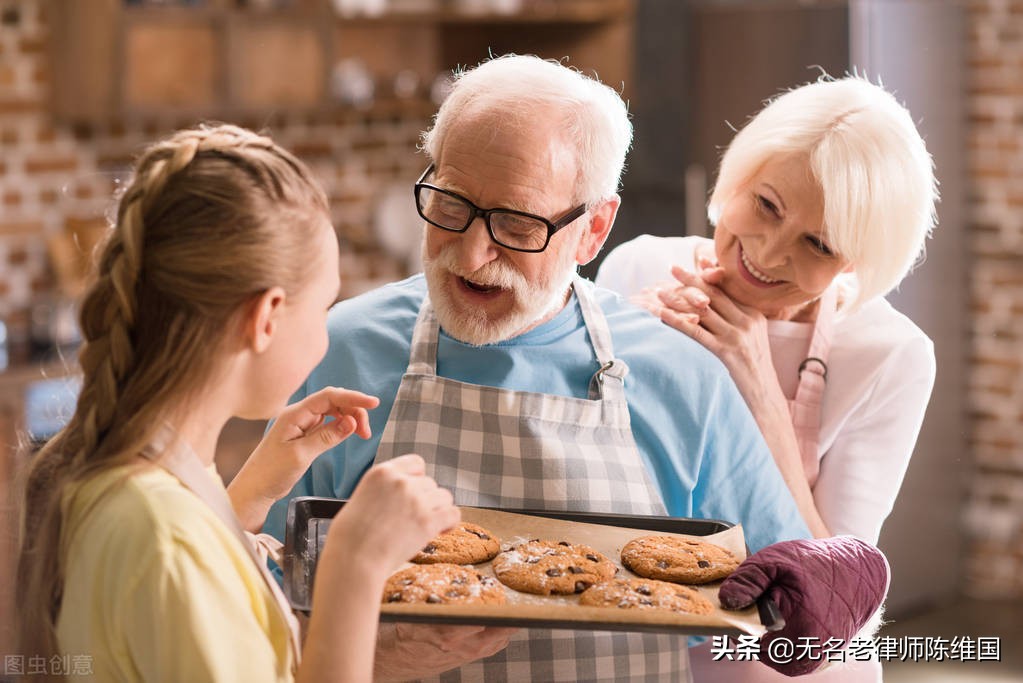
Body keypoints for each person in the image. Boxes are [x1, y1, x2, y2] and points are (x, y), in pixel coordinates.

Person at [265, 55, 891, 681]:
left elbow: (798, 615)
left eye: (516, 223)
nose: (473, 253)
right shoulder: (344, 347)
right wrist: (382, 656)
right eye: (452, 205)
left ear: (593, 230)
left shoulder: (681, 376)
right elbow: (254, 605)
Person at [15, 124, 461, 683]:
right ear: (266, 317)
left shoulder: (133, 476)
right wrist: (356, 567)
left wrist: (250, 495)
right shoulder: (166, 538)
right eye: (324, 306)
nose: (327, 333)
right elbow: (180, 563)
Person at [597, 75, 938, 681]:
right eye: (766, 205)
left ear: (857, 259)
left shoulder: (891, 354)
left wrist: (753, 380)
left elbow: (841, 591)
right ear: (737, 178)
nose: (771, 253)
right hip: (637, 646)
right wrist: (617, 353)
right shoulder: (639, 265)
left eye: (817, 243)